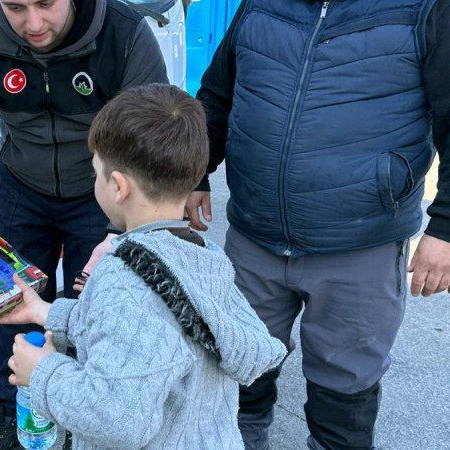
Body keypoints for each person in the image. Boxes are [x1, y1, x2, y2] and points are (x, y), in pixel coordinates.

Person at [186, 1, 450, 449]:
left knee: (343, 395)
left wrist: (444, 227)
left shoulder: (425, 9)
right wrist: (197, 171)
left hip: (360, 245)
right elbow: (218, 94)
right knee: (238, 375)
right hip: (254, 237)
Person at [0, 83, 287, 450]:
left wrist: (42, 374)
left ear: (118, 187)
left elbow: (117, 421)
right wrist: (45, 312)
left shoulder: (123, 278)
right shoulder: (203, 255)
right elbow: (147, 329)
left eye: (95, 171)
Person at [0, 0, 168, 448]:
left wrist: (122, 233)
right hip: (22, 187)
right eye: (16, 7)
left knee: (94, 314)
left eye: (45, 4)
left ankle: (86, 427)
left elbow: (149, 146)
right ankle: (7, 415)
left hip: (103, 197)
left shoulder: (126, 34)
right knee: (10, 304)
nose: (33, 24)